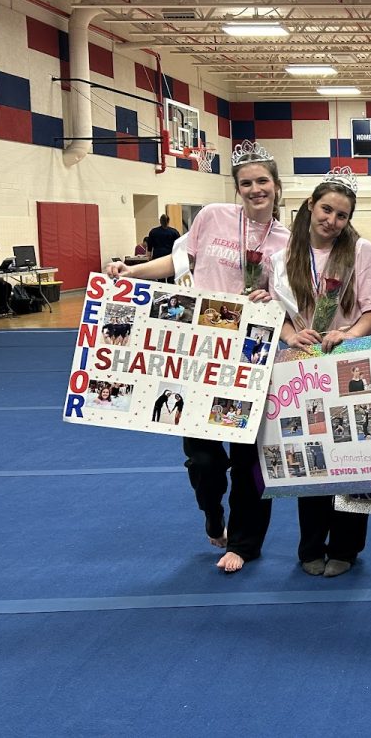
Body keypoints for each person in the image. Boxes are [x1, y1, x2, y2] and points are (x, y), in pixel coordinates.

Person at [107, 139, 289, 573]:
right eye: (246, 182)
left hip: (249, 358)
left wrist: (272, 299)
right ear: (237, 187)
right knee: (205, 460)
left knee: (248, 461)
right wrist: (130, 272)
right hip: (202, 356)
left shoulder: (288, 240)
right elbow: (177, 261)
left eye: (263, 181)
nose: (255, 189)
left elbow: (293, 298)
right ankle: (212, 512)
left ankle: (244, 544)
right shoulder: (212, 217)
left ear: (277, 187)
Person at [254, 167, 371, 578]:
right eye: (326, 209)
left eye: (342, 215)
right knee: (308, 455)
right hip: (302, 366)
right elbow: (275, 310)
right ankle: (310, 545)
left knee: (353, 452)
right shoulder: (280, 259)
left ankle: (346, 545)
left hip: (348, 361)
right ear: (311, 205)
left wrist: (348, 333)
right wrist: (291, 335)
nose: (332, 220)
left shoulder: (361, 252)